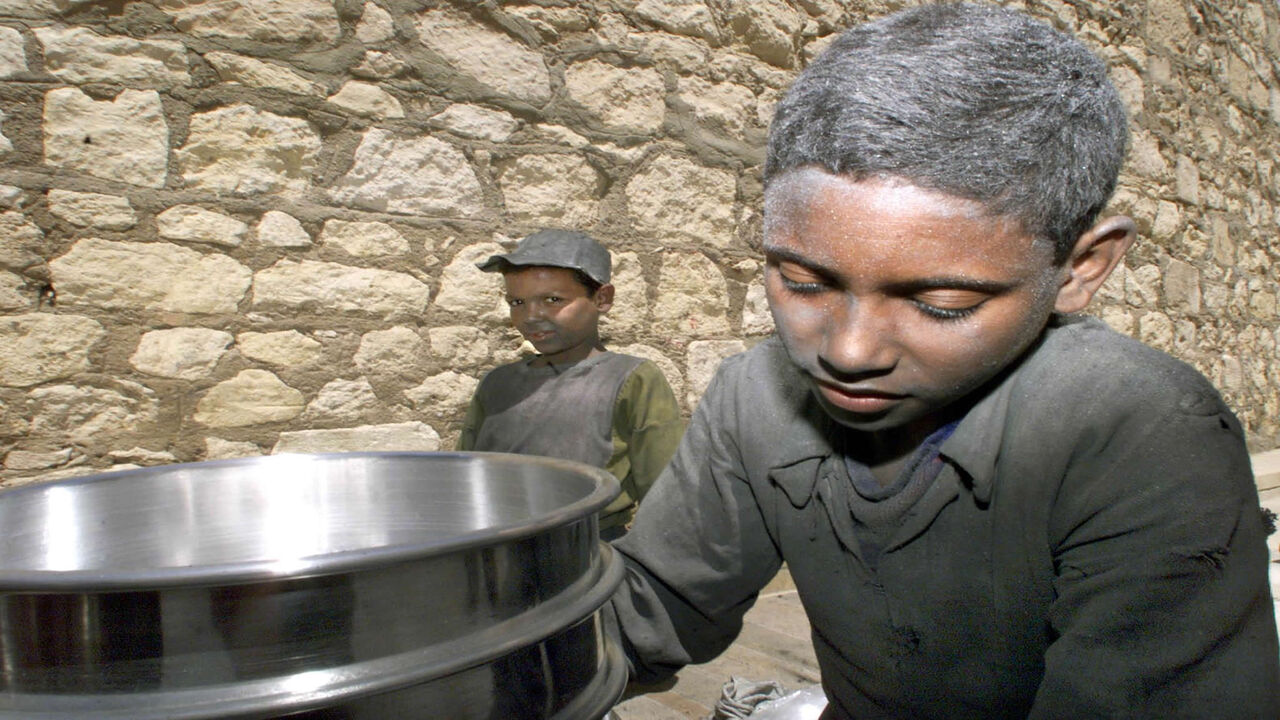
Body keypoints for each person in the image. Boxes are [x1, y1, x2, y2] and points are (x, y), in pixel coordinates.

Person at [609, 4, 1280, 719]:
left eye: (945, 302)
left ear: (1082, 267)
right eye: (803, 281)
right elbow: (648, 613)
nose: (847, 351)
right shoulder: (756, 397)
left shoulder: (1140, 428)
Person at [458, 229, 684, 540]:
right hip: (497, 551)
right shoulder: (497, 385)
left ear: (602, 298)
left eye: (553, 300)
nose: (531, 316)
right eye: (517, 302)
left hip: (590, 554)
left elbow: (666, 497)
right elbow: (465, 476)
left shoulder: (633, 380)